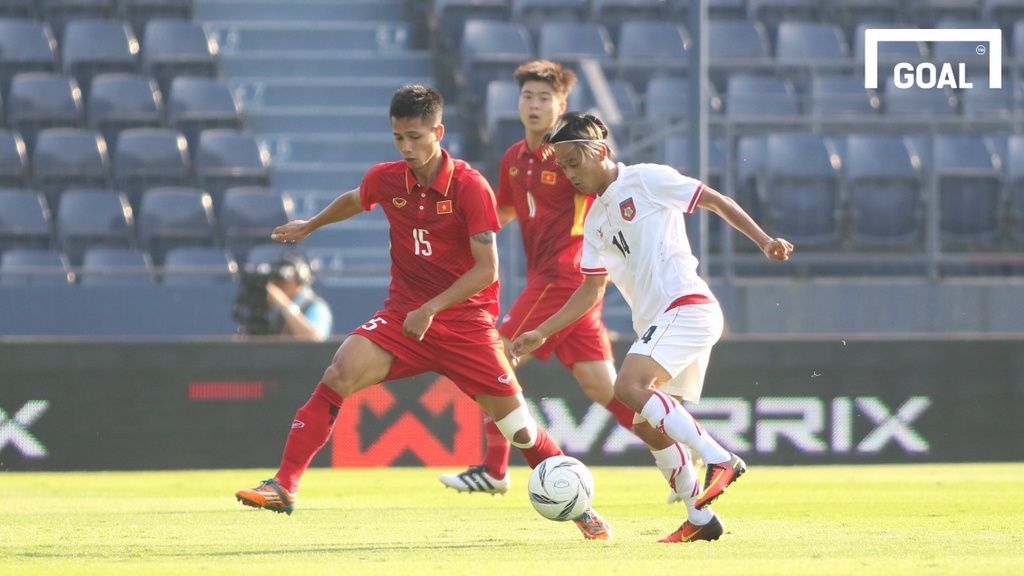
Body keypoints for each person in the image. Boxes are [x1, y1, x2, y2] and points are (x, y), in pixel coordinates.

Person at [234, 85, 613, 540]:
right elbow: (358, 197)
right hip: (403, 318)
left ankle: (582, 511)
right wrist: (312, 225)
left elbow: (487, 270)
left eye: (415, 137)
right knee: (340, 372)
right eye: (398, 138)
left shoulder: (471, 186)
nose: (407, 148)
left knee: (520, 430)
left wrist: (432, 308)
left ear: (439, 132)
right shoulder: (388, 177)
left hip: (465, 325)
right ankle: (284, 485)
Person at [511, 111, 795, 543]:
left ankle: (719, 458)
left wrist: (765, 241)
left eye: (574, 162)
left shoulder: (645, 179)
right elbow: (590, 292)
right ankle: (700, 521)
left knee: (628, 387)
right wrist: (542, 332)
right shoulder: (595, 221)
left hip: (688, 306)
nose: (569, 174)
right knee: (646, 423)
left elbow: (715, 200)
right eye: (563, 166)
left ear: (601, 152)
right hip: (664, 322)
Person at [439, 60, 696, 512]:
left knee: (494, 356)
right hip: (566, 290)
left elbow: (607, 187)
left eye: (544, 98)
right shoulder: (513, 159)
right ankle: (674, 446)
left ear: (562, 105)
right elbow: (502, 212)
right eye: (527, 97)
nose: (534, 105)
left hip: (563, 277)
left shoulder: (570, 156)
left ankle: (495, 470)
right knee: (604, 388)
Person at [264, 253, 333, 341]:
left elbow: (315, 340)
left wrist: (285, 305)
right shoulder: (274, 310)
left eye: (284, 279)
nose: (278, 284)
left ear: (299, 279)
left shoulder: (317, 307)